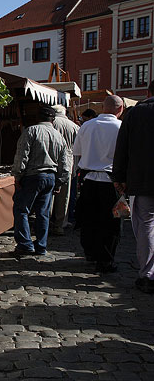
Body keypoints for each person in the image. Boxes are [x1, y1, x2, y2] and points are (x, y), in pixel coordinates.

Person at [11, 104, 70, 256]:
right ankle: (41, 245)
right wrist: (60, 181)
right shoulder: (58, 136)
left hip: (33, 176)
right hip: (50, 176)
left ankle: (25, 244)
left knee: (21, 209)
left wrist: (17, 175)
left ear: (38, 117)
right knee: (43, 213)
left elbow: (22, 155)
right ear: (53, 119)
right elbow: (65, 162)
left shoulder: (31, 131)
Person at [74, 95, 124, 273]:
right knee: (110, 222)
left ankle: (91, 252)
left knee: (89, 218)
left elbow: (77, 151)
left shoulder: (87, 125)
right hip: (111, 182)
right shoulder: (120, 127)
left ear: (103, 107)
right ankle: (105, 259)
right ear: (120, 109)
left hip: (89, 180)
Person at [113, 81, 154, 293]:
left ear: (148, 92)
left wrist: (119, 177)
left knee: (146, 225)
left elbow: (122, 147)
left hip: (143, 180)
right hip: (142, 180)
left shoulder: (136, 113)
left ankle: (147, 274)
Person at [50, 105, 79, 236]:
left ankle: (48, 222)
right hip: (68, 161)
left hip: (52, 160)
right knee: (64, 195)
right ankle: (60, 224)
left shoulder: (52, 123)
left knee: (50, 194)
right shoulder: (73, 125)